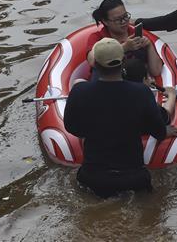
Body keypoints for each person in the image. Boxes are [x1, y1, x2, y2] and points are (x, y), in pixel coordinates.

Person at [63, 38, 167, 198]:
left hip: (92, 177)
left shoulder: (80, 91)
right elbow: (159, 132)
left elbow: (71, 127)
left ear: (95, 64)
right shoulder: (141, 92)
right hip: (134, 179)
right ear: (123, 61)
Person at [91, 0, 162, 79]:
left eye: (125, 16)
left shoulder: (136, 33)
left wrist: (149, 45)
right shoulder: (97, 38)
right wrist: (124, 48)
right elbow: (92, 61)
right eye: (118, 19)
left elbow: (156, 71)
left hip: (138, 83)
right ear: (105, 21)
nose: (124, 22)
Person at [124, 57, 177, 123]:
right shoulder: (144, 100)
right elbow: (165, 116)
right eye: (148, 75)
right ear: (144, 80)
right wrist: (172, 95)